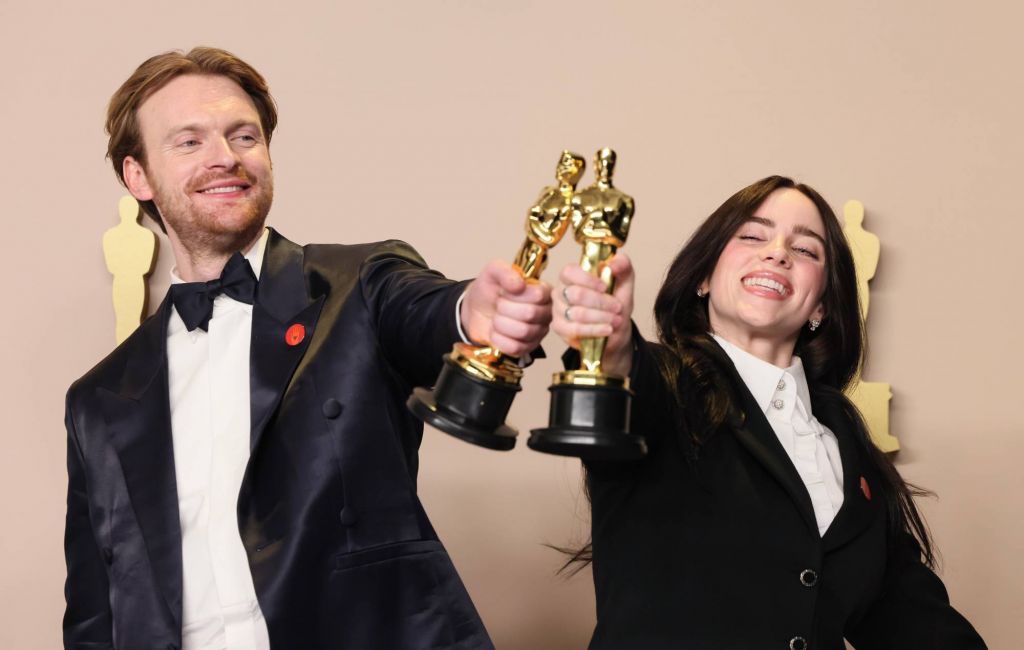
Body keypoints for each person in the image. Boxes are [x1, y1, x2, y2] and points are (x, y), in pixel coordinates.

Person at [64, 47, 551, 650]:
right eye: (188, 142)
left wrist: (470, 314)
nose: (226, 158)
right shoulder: (97, 399)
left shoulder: (359, 283)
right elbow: (93, 614)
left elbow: (425, 311)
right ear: (137, 175)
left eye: (243, 136)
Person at [552, 176, 986, 649]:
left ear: (820, 304)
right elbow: (624, 381)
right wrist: (608, 345)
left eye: (806, 250)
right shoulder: (664, 384)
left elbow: (907, 612)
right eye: (753, 236)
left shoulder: (845, 439)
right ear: (703, 277)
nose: (778, 253)